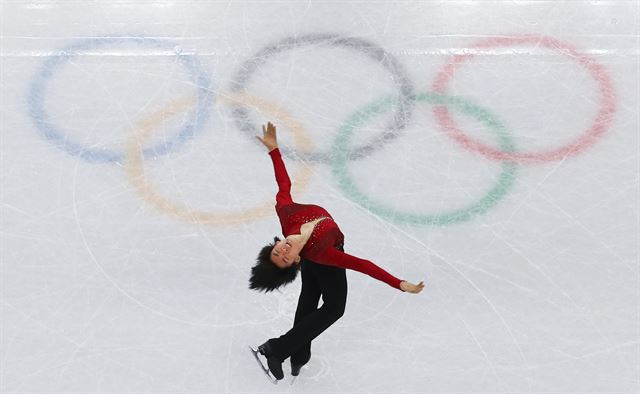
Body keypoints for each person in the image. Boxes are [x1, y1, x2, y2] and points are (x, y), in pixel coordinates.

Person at [249, 122, 424, 382]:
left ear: (274, 244)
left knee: (308, 301)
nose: (284, 251)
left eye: (277, 252)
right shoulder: (323, 254)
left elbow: (283, 183)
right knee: (334, 308)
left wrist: (274, 150)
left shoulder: (286, 214)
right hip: (323, 258)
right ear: (295, 260)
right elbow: (363, 264)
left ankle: (297, 355)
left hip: (314, 260)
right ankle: (278, 349)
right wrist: (399, 283)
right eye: (285, 259)